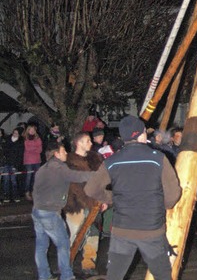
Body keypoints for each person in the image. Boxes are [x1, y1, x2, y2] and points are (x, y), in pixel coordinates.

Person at [84, 115, 182, 280]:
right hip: (151, 230)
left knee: (115, 276)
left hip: (122, 231)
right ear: (142, 134)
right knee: (163, 276)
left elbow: (90, 189)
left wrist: (113, 198)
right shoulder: (158, 158)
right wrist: (160, 204)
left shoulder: (112, 161)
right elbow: (173, 196)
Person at [32, 140, 96, 280]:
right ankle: (66, 275)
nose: (66, 153)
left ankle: (44, 275)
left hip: (37, 211)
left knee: (41, 245)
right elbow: (78, 176)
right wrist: (97, 175)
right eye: (63, 151)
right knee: (63, 244)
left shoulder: (43, 169)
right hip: (49, 212)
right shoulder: (59, 168)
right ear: (56, 154)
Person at [65, 132, 105, 277]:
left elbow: (103, 181)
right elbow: (72, 185)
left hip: (95, 204)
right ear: (79, 143)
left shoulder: (95, 159)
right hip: (76, 205)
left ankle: (88, 264)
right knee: (76, 235)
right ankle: (66, 265)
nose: (91, 143)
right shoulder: (69, 161)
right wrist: (85, 201)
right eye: (87, 141)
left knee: (93, 235)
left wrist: (104, 199)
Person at [2, 127, 23, 203]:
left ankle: (15, 195)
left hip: (14, 163)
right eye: (14, 132)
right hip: (6, 163)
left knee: (13, 180)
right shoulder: (8, 140)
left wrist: (16, 165)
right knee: (6, 180)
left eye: (17, 133)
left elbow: (20, 155)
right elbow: (4, 151)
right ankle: (6, 195)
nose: (15, 134)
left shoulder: (20, 142)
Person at [23, 123, 43, 201]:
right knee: (28, 177)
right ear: (28, 130)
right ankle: (27, 192)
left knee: (36, 177)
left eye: (33, 130)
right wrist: (35, 148)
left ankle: (34, 192)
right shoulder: (25, 139)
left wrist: (33, 149)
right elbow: (27, 149)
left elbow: (40, 150)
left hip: (37, 160)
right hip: (28, 161)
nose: (32, 131)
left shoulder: (38, 138)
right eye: (30, 130)